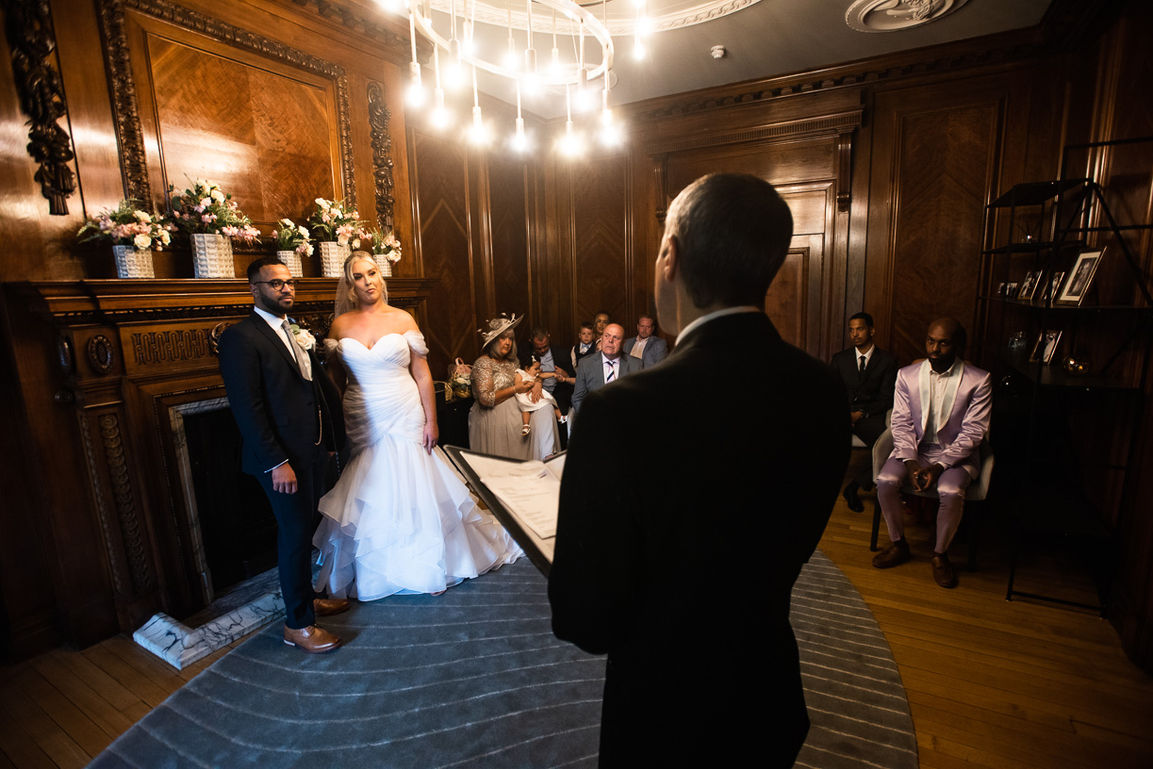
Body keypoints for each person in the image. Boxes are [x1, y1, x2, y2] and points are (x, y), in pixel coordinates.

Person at [549, 173, 850, 768]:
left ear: (671, 255)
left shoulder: (620, 411)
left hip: (662, 712)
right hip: (766, 691)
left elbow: (586, 618)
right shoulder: (823, 391)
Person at [311, 254, 522, 599]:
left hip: (404, 406)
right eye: (359, 276)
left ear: (381, 276)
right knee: (372, 481)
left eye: (372, 273)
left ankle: (429, 562)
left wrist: (431, 419)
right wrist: (334, 424)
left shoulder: (402, 318)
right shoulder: (340, 325)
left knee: (413, 478)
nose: (368, 281)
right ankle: (378, 568)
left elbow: (422, 372)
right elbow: (335, 379)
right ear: (350, 286)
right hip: (361, 412)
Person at [218, 256, 350, 654]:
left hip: (309, 452)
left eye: (289, 282)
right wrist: (277, 462)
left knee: (305, 529)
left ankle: (307, 598)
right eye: (275, 283)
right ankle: (298, 625)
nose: (286, 288)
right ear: (254, 289)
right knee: (293, 535)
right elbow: (248, 407)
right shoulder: (241, 337)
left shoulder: (296, 331)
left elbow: (311, 392)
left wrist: (329, 443)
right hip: (279, 461)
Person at [872, 317, 991, 589]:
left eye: (943, 343)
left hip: (955, 454)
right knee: (886, 481)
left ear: (958, 346)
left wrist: (938, 467)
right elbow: (900, 423)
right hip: (914, 450)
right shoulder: (906, 375)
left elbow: (974, 432)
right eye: (930, 340)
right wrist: (912, 463)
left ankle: (939, 555)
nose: (934, 349)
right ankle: (898, 544)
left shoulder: (979, 380)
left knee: (950, 491)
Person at [830, 311, 898, 511]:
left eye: (859, 329)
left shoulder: (887, 361)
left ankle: (854, 486)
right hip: (840, 416)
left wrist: (860, 413)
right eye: (851, 330)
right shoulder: (840, 359)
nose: (854, 334)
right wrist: (842, 414)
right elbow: (831, 391)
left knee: (894, 447)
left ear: (872, 330)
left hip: (868, 417)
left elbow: (887, 398)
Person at [469, 314, 559, 459]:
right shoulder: (483, 363)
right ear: (493, 341)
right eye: (503, 338)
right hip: (493, 413)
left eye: (510, 338)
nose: (507, 342)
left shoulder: (513, 362)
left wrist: (537, 384)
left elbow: (526, 378)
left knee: (546, 407)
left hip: (518, 409)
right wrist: (516, 389)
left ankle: (547, 457)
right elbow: (485, 399)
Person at [570, 322, 636, 415]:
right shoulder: (586, 364)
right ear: (601, 338)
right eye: (607, 336)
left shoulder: (636, 365)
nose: (610, 340)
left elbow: (640, 400)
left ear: (623, 343)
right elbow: (577, 398)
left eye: (616, 337)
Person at [514, 359, 565, 459]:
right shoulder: (520, 373)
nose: (538, 371)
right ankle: (526, 425)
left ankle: (561, 417)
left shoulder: (536, 375)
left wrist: (553, 374)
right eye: (536, 368)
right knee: (525, 409)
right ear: (527, 368)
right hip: (525, 395)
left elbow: (543, 375)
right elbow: (517, 385)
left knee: (549, 401)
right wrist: (528, 385)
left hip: (536, 394)